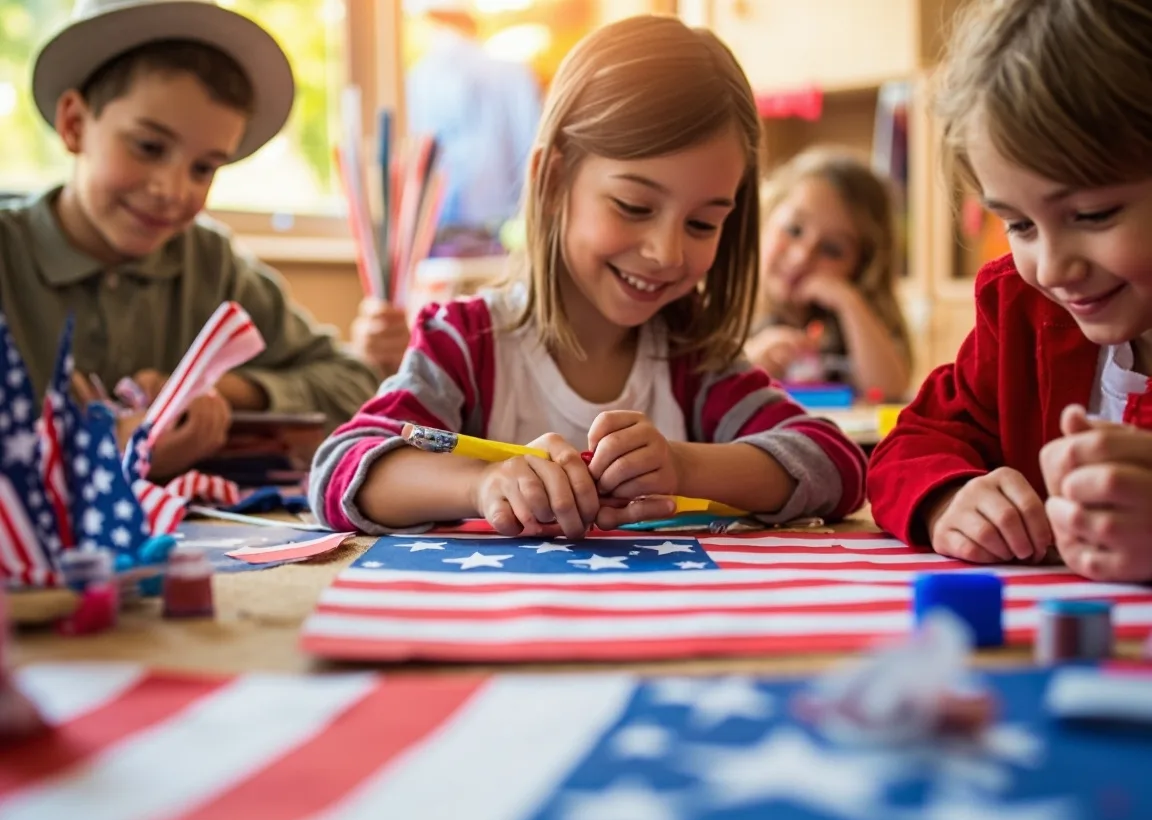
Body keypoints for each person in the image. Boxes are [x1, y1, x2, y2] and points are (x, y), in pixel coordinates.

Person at [310, 15, 867, 538]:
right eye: (633, 206)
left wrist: (682, 464)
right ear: (553, 181)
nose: (666, 252)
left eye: (701, 223)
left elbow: (835, 464)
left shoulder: (695, 363)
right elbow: (342, 468)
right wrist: (480, 485)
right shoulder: (465, 345)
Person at [0, 0, 379, 480]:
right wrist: (103, 454)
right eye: (149, 147)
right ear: (75, 123)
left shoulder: (212, 262)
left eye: (204, 168)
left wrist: (220, 388)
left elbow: (354, 383)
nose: (172, 191)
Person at [868, 0, 1152, 582]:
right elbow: (912, 442)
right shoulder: (1024, 311)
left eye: (1093, 214)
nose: (1051, 268)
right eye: (1018, 225)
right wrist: (949, 499)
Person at [746, 147, 912, 401]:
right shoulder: (728, 313)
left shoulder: (852, 324)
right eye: (794, 229)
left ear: (862, 266)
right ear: (766, 217)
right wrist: (747, 365)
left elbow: (889, 390)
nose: (801, 257)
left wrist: (849, 303)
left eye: (832, 249)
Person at [404, 0, 542, 249]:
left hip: (451, 240)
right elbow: (532, 156)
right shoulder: (514, 75)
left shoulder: (417, 81)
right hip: (499, 238)